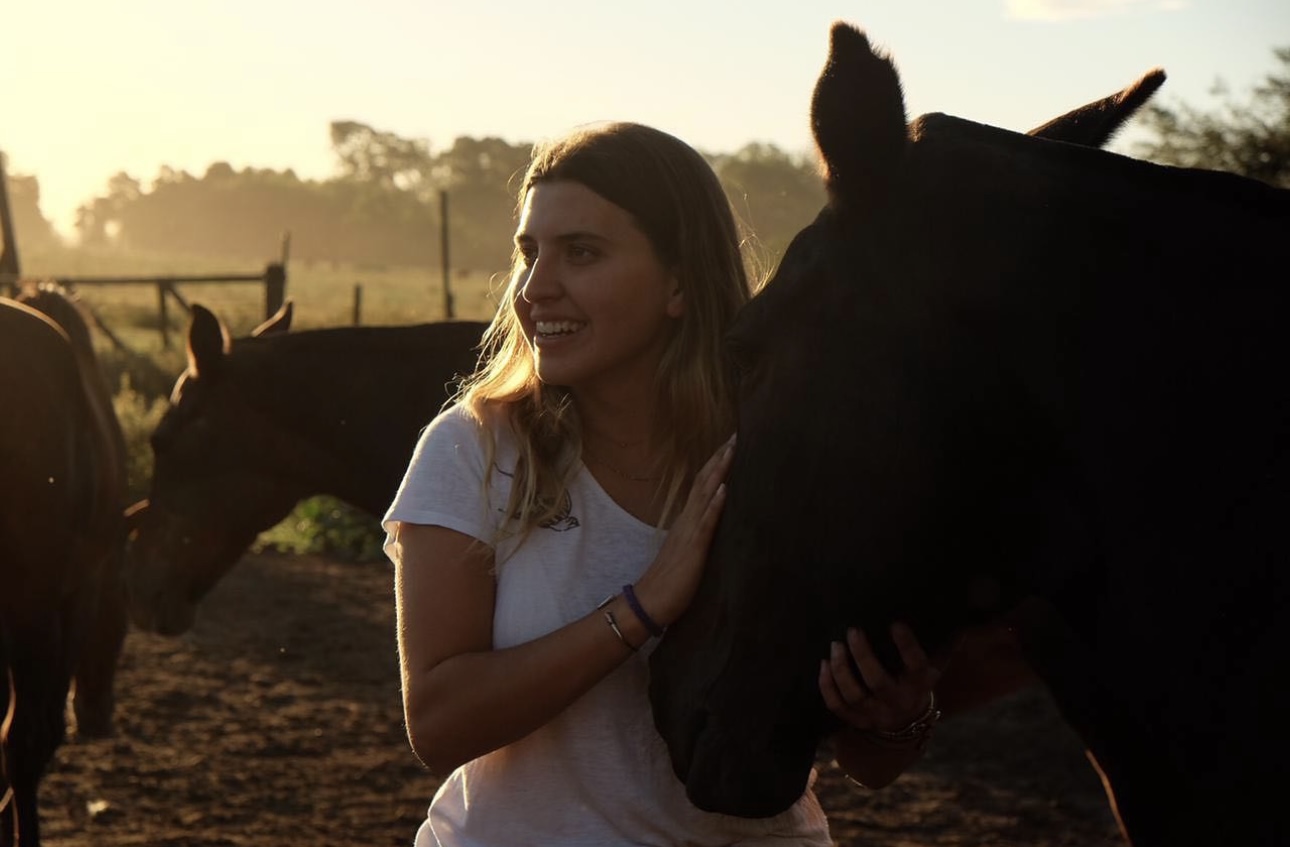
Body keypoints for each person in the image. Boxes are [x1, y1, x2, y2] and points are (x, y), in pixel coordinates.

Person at [383, 121, 944, 846]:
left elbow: (866, 763)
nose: (534, 288)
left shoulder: (780, 457)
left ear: (679, 282)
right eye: (529, 252)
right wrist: (643, 607)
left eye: (581, 252)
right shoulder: (478, 450)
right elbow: (438, 724)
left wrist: (898, 715)